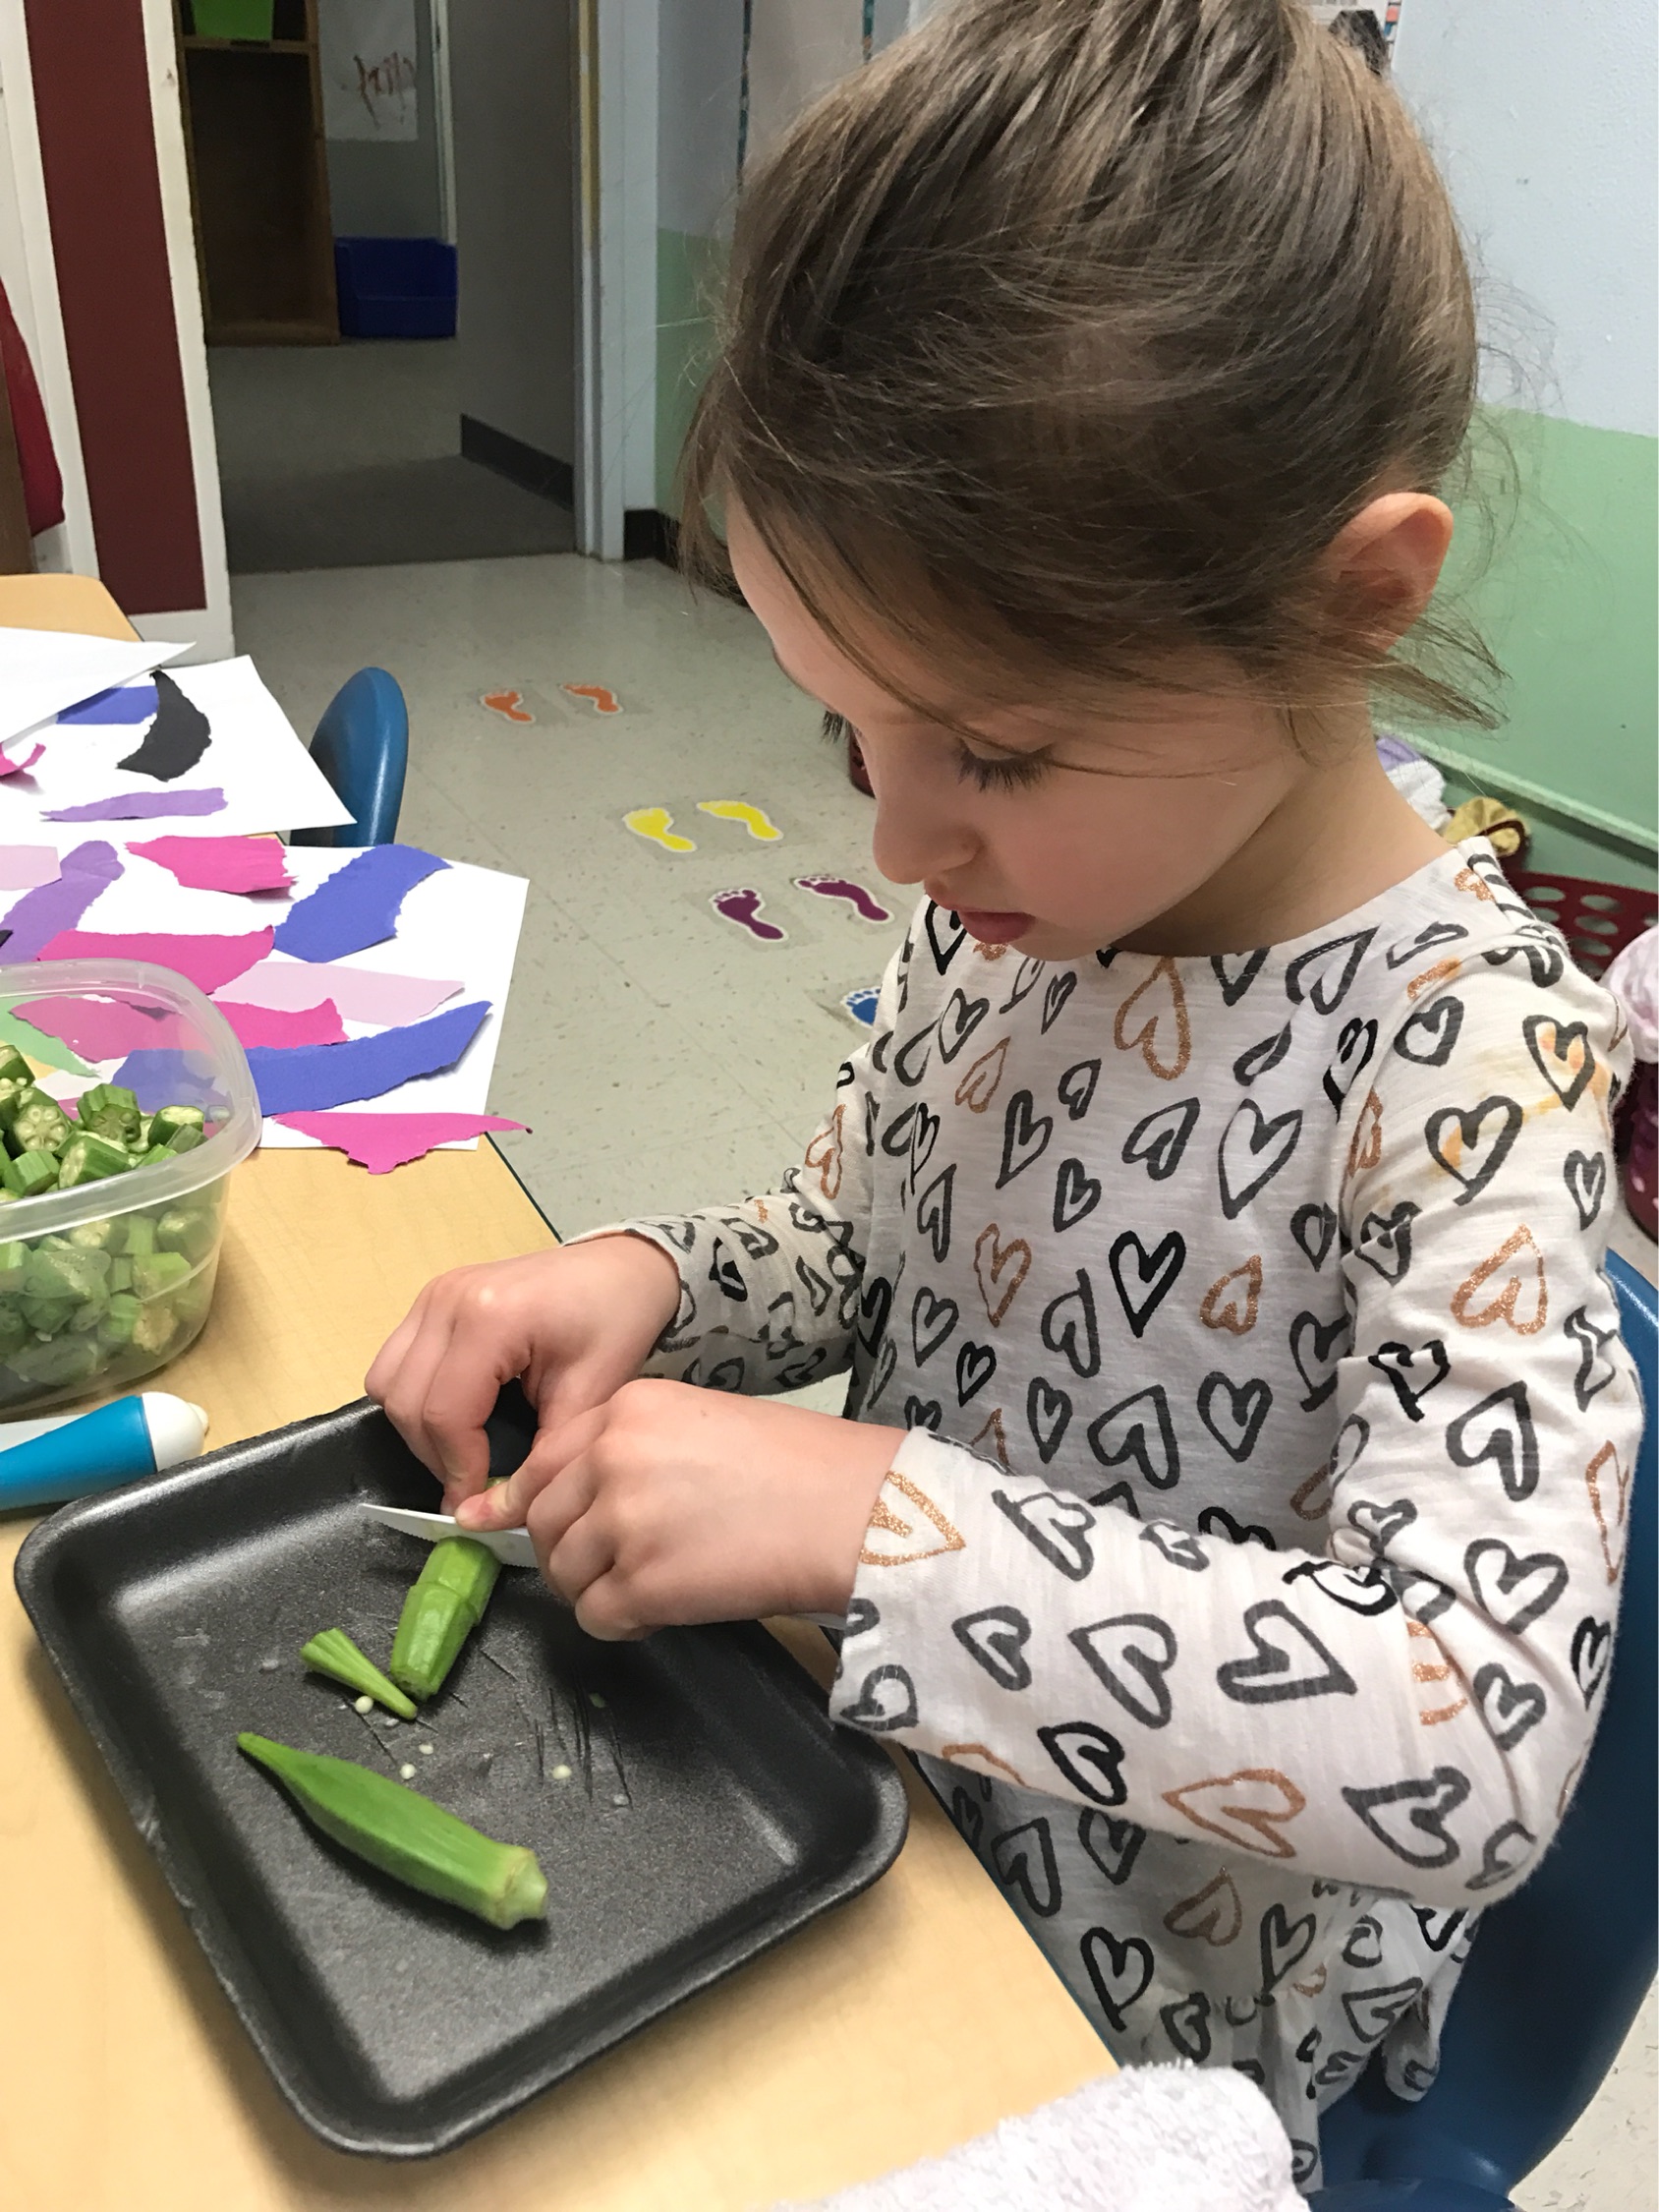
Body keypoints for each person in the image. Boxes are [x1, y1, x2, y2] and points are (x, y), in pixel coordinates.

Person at [368, 1, 1641, 2188]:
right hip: (872, 1820)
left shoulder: (1463, 1062)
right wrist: (652, 1285)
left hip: (1162, 2048)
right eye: (850, 732)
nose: (900, 848)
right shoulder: (1018, 906)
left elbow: (1472, 1734)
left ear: (1344, 606)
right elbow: (869, 1239)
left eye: (995, 751)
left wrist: (879, 1524)